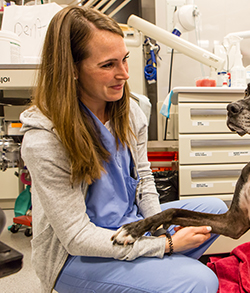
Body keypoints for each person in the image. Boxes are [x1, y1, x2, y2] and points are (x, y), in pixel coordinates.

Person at [20, 6, 228, 293]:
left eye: (124, 60)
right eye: (108, 65)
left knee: (214, 211)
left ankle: (153, 272)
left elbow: (144, 181)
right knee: (200, 281)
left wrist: (159, 228)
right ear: (73, 70)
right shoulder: (45, 139)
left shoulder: (130, 115)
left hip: (130, 226)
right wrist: (164, 245)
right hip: (77, 256)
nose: (124, 74)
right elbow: (77, 237)